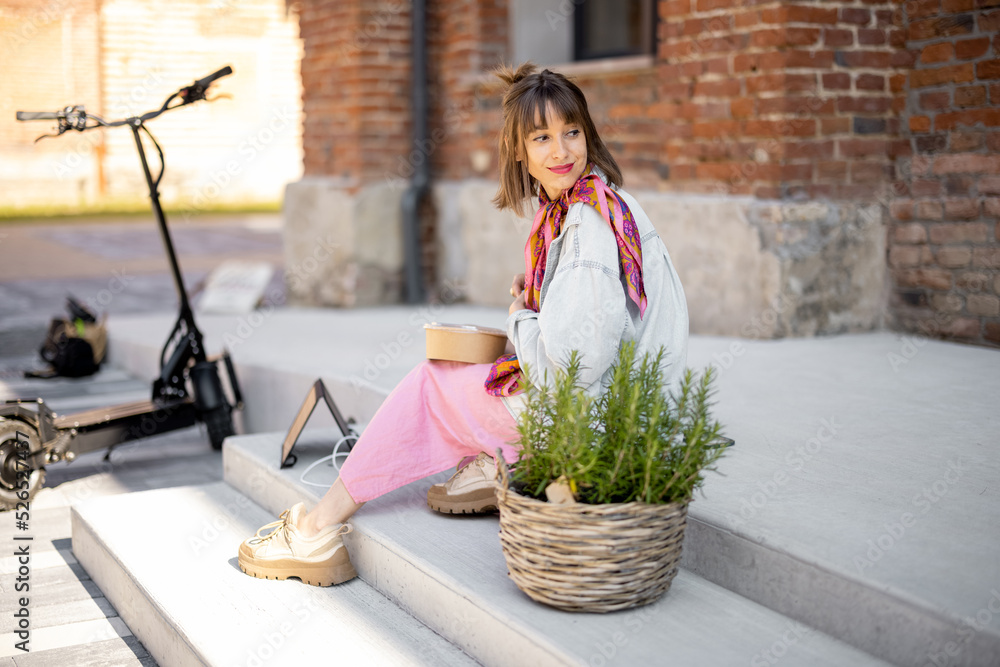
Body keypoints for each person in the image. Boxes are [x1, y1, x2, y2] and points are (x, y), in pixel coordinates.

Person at [237, 62, 689, 587]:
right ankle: (489, 463)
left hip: (600, 422)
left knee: (432, 385)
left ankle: (317, 531)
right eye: (542, 138)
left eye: (571, 132)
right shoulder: (595, 204)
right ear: (520, 151)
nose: (561, 151)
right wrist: (536, 312)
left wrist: (522, 315)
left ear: (588, 135)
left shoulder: (586, 224)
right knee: (476, 368)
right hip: (629, 406)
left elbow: (576, 366)